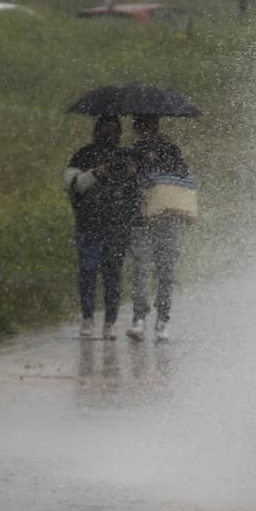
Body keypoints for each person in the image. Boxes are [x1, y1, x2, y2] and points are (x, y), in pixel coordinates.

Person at [64, 116, 138, 339]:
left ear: (119, 134)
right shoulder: (83, 155)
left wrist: (132, 172)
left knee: (113, 273)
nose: (110, 135)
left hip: (117, 225)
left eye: (114, 131)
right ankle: (88, 318)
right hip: (89, 224)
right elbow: (73, 184)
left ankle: (110, 322)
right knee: (88, 271)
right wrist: (96, 172)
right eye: (105, 130)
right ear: (97, 132)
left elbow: (134, 191)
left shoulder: (126, 157)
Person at [126, 115, 194, 342]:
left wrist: (158, 162)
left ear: (156, 126)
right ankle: (139, 318)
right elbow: (130, 184)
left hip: (167, 218)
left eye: (150, 126)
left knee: (166, 270)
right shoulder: (133, 152)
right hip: (142, 219)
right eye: (142, 127)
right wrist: (135, 170)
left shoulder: (170, 149)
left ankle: (162, 319)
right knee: (142, 270)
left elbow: (183, 176)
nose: (146, 131)